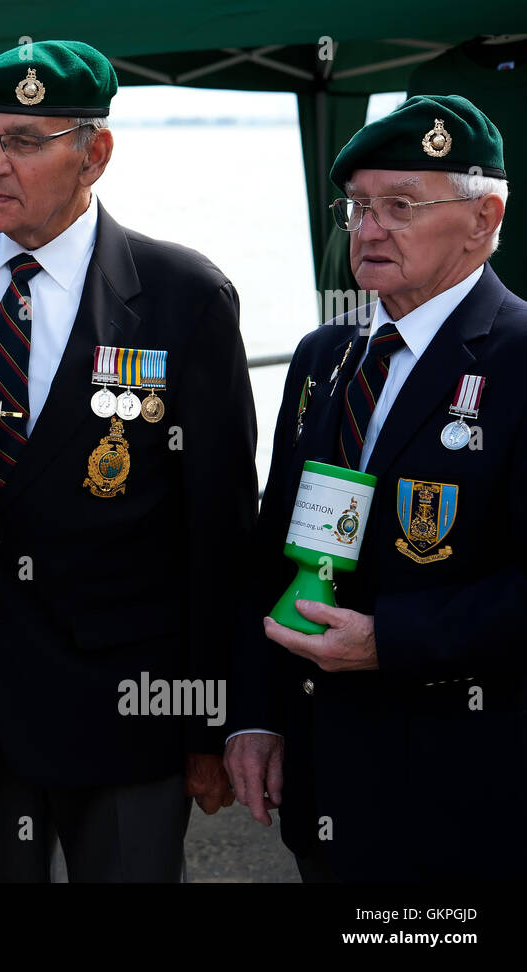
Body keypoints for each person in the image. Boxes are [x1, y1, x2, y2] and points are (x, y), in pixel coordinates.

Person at [0, 40, 258, 881]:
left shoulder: (182, 295)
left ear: (93, 152)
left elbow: (219, 526)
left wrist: (209, 723)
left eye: (23, 140)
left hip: (126, 709)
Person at [225, 94, 526, 882]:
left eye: (400, 205)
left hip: (466, 779)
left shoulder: (521, 358)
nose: (368, 229)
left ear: (483, 217)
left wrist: (389, 638)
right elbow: (274, 551)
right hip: (328, 771)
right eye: (356, 206)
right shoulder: (327, 353)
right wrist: (253, 719)